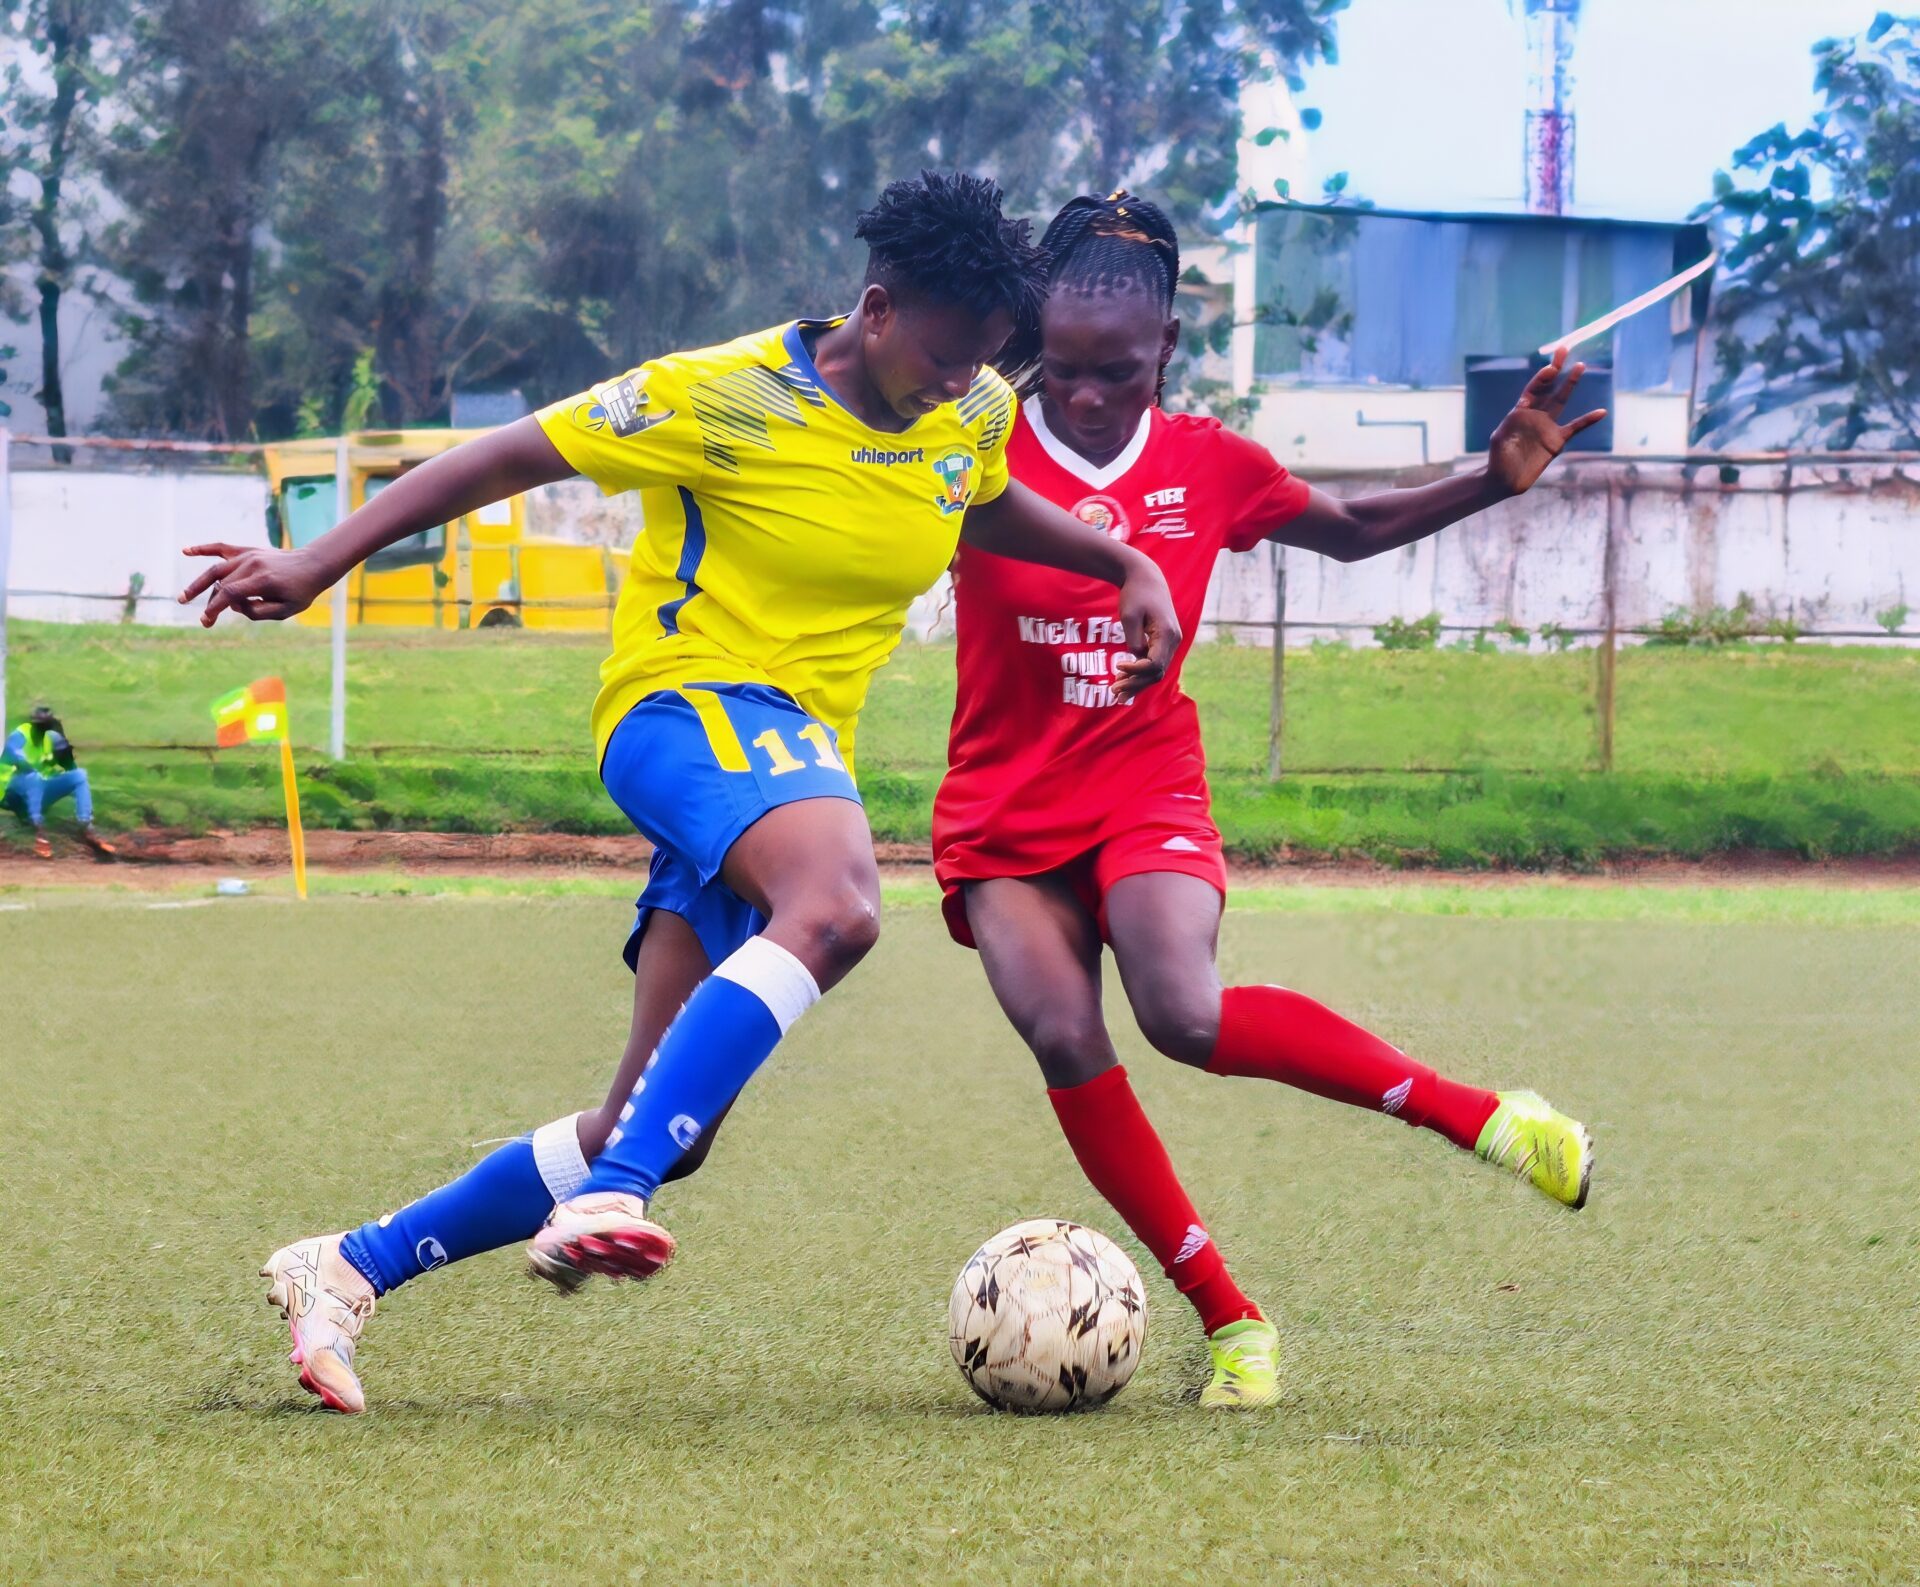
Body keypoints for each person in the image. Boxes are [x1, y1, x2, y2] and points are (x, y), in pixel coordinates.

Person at [179, 171, 1181, 1415]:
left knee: (659, 1119)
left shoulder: (971, 405)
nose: (957, 387)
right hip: (681, 710)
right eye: (938, 358)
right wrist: (319, 561)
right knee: (839, 902)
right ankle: (612, 1198)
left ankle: (346, 1267)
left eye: (981, 365)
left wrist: (1122, 556)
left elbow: (978, 503)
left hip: (778, 764)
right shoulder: (717, 392)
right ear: (874, 309)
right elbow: (501, 456)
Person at [930, 191, 1601, 1409]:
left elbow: (1347, 528)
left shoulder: (1208, 464)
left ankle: (1486, 1118)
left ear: (1168, 349)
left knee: (1182, 1012)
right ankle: (1233, 1323)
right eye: (1064, 369)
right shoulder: (971, 446)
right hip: (1003, 811)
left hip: (1143, 787)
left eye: (1118, 373)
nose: (1085, 396)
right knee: (1067, 1033)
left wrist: (1490, 483)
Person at [3, 703, 115, 858]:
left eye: (46, 725)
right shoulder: (20, 735)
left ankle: (86, 826)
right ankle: (39, 831)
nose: (42, 728)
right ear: (32, 724)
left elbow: (70, 767)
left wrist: (65, 756)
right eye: (39, 725)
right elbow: (17, 759)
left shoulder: (51, 738)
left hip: (38, 790)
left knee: (80, 775)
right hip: (13, 795)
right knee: (33, 777)